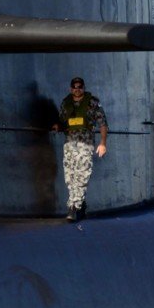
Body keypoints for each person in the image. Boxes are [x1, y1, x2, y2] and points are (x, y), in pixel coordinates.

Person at [51, 77, 107, 221]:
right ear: (71, 89)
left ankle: (73, 207)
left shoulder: (92, 102)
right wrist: (58, 126)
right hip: (69, 144)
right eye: (74, 87)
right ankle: (80, 205)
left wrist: (103, 143)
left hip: (85, 144)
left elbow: (102, 124)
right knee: (70, 177)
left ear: (84, 88)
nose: (77, 89)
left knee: (82, 175)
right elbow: (62, 121)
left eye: (80, 87)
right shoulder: (66, 103)